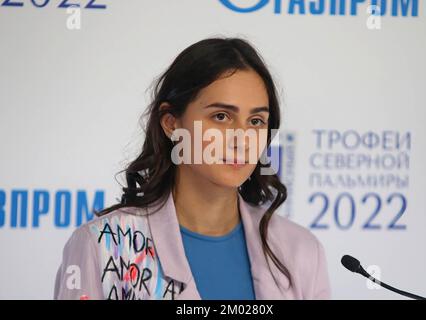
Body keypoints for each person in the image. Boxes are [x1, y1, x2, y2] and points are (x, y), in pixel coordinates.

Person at [54, 37, 331, 300]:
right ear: (171, 123)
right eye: (221, 116)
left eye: (256, 121)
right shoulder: (103, 245)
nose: (242, 139)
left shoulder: (301, 251)